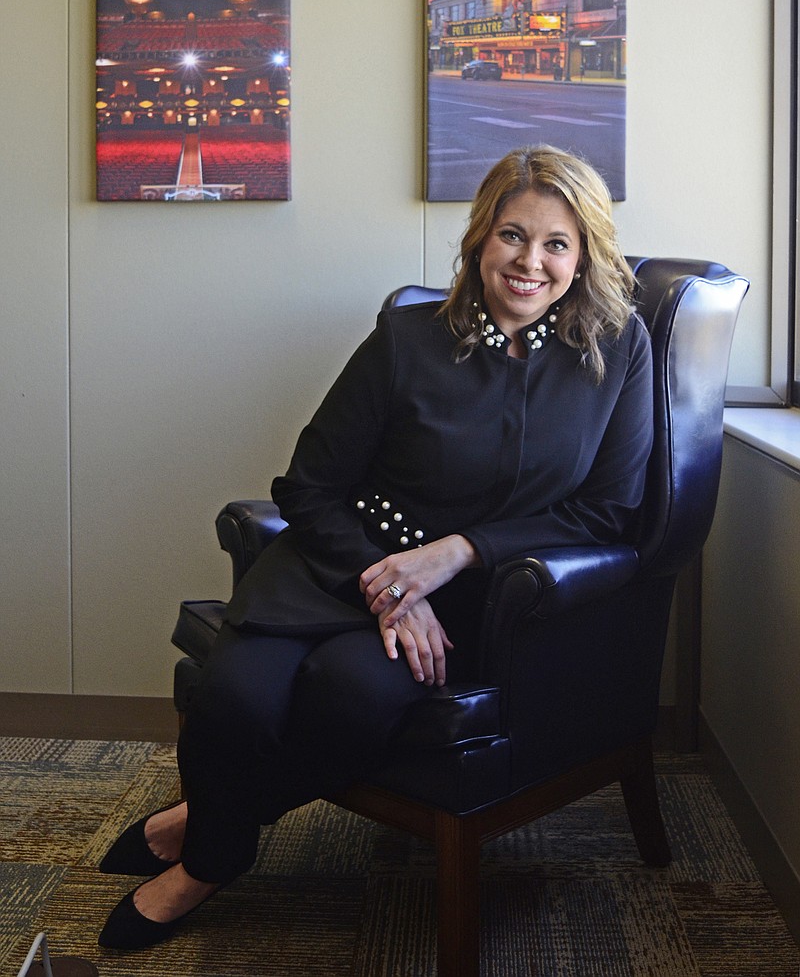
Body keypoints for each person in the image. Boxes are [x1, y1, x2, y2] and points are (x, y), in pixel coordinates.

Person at [97, 144, 653, 950]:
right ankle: (216, 830)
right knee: (231, 699)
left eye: (556, 243)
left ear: (585, 254)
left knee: (350, 695)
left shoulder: (617, 349)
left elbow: (607, 513)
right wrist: (386, 579)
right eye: (511, 235)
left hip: (460, 601)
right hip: (337, 564)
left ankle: (205, 854)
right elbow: (307, 486)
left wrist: (456, 554)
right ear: (478, 241)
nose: (530, 261)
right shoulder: (405, 337)